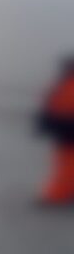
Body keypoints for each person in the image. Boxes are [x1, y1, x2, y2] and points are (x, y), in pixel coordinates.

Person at [38, 56, 74, 205]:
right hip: (67, 134)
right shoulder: (62, 87)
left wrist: (45, 126)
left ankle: (58, 194)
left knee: (64, 166)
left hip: (63, 134)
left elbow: (48, 111)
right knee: (67, 167)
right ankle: (56, 196)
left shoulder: (59, 86)